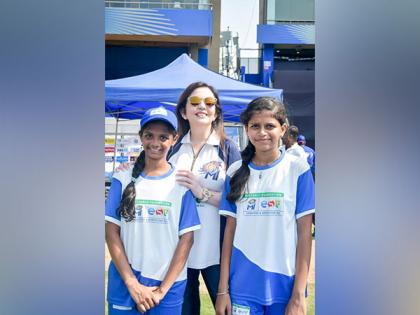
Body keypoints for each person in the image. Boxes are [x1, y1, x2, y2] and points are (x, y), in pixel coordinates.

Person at [215, 97, 315, 315]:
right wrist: (222, 291)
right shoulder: (234, 172)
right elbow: (228, 235)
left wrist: (298, 294)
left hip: (285, 288)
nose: (262, 133)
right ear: (246, 129)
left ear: (283, 129)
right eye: (255, 126)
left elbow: (305, 234)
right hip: (242, 287)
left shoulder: (298, 170)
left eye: (270, 126)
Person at [105, 107, 201, 315]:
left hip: (167, 287)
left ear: (174, 139)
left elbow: (187, 239)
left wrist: (162, 290)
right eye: (149, 136)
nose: (155, 143)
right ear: (141, 137)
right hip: (125, 283)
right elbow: (111, 232)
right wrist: (132, 283)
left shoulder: (182, 183)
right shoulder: (122, 179)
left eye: (163, 137)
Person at [169, 81, 241, 314]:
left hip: (218, 248)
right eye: (195, 102)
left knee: (226, 309)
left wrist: (203, 193)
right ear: (183, 111)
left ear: (216, 112)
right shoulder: (172, 148)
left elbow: (240, 202)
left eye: (209, 102)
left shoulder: (228, 149)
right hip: (179, 248)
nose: (203, 107)